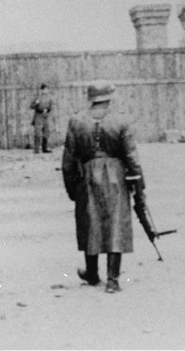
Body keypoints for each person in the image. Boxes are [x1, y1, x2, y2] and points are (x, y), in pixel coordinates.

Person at [62, 81, 144, 294]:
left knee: (90, 222)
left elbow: (68, 161)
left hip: (87, 177)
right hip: (116, 176)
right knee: (115, 223)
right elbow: (131, 156)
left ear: (91, 98)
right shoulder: (121, 120)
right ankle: (112, 280)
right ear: (109, 97)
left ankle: (92, 273)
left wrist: (71, 188)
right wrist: (138, 184)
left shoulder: (76, 121)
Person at [30, 84, 54, 154]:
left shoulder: (49, 98)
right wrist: (36, 103)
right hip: (38, 116)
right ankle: (36, 149)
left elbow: (50, 107)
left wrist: (47, 110)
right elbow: (31, 106)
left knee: (46, 132)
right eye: (44, 89)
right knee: (38, 133)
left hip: (45, 116)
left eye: (46, 89)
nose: (45, 91)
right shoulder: (37, 97)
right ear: (41, 90)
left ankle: (44, 148)